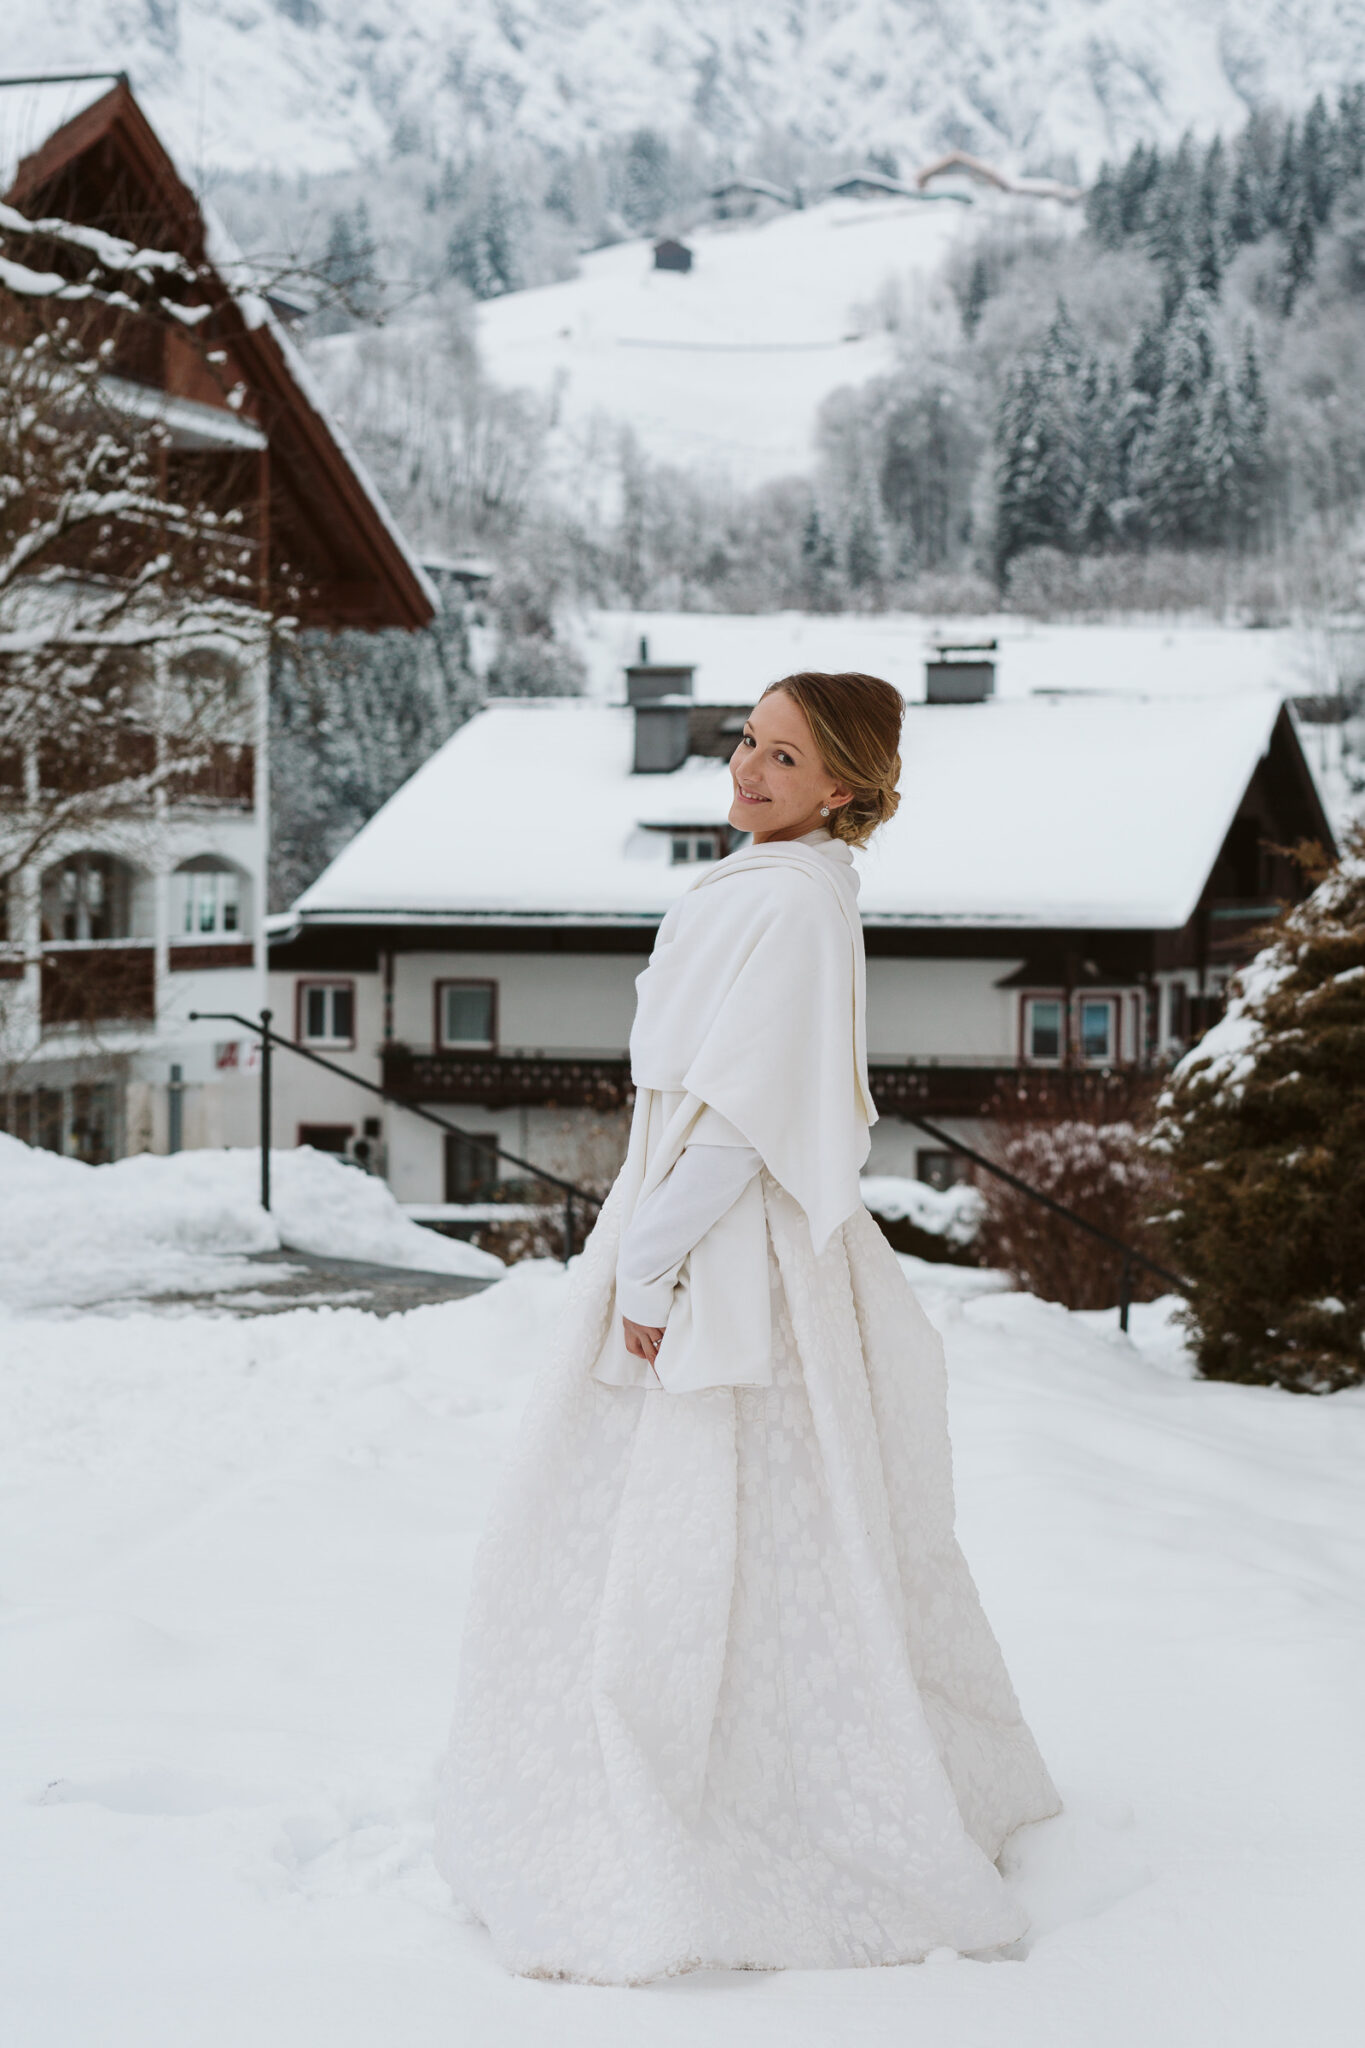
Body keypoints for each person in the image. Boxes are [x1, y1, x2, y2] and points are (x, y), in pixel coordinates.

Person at [434, 670, 1060, 1984]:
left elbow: (737, 1120)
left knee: (701, 1505)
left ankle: (717, 1783)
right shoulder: (779, 885)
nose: (748, 770)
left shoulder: (791, 905)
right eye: (746, 742)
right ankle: (723, 1749)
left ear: (844, 787)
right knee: (756, 1526)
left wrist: (648, 1272)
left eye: (786, 757)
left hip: (714, 1240)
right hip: (687, 1219)